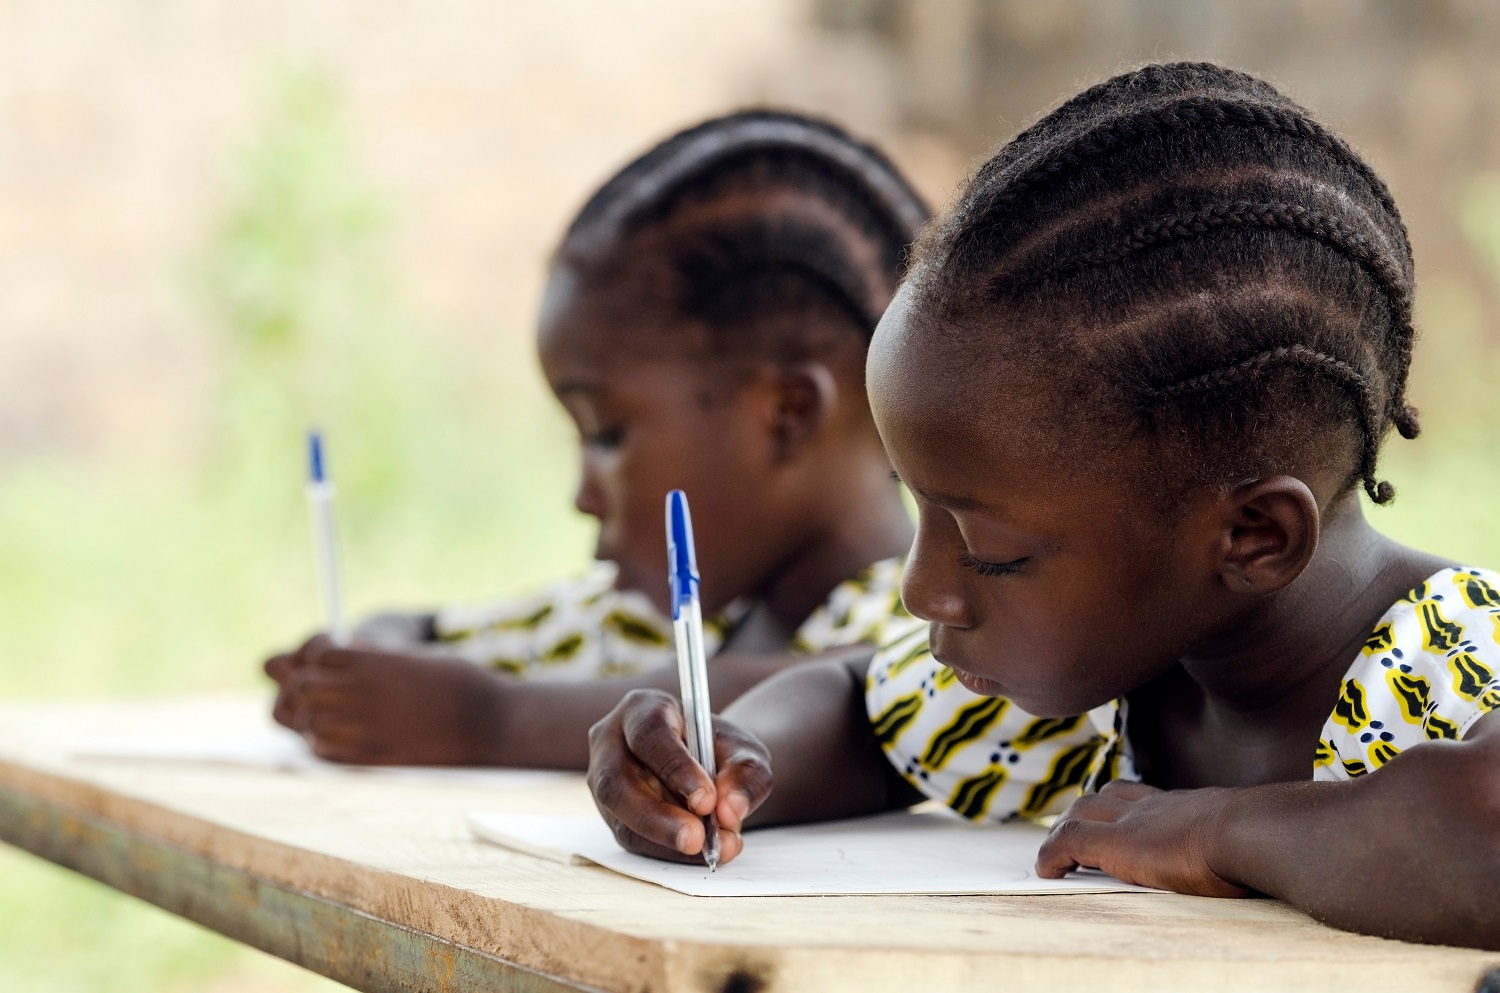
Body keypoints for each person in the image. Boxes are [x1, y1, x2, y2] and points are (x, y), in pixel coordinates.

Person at [584, 63, 1500, 951]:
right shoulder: (1112, 669)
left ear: (1253, 535)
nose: (922, 590)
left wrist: (1205, 832)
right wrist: (731, 764)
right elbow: (861, 706)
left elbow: (1478, 834)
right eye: (921, 513)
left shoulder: (1458, 668)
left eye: (993, 554)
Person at [265, 110, 930, 769]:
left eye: (608, 435)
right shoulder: (636, 625)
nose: (582, 496)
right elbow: (423, 631)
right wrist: (363, 667)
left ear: (785, 416)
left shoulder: (932, 633)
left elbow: (839, 694)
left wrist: (489, 720)